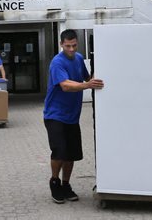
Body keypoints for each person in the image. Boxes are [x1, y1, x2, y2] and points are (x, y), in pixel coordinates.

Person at [43, 29, 104, 204]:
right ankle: (54, 182)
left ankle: (66, 184)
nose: (71, 49)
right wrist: (87, 85)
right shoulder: (57, 62)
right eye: (68, 46)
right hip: (54, 115)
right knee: (59, 151)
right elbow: (65, 85)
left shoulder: (78, 58)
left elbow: (87, 77)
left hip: (72, 116)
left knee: (71, 154)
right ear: (61, 44)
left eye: (74, 45)